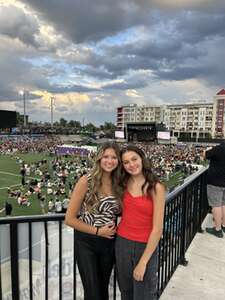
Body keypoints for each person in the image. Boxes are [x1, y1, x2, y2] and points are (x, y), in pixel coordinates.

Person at [65, 142, 122, 300]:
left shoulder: (120, 184)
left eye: (113, 157)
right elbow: (69, 219)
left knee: (103, 290)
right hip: (86, 243)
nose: (109, 161)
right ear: (99, 158)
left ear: (118, 161)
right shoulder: (86, 181)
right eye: (105, 157)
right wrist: (98, 231)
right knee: (93, 293)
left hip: (109, 243)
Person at [115, 145, 166, 300]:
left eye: (134, 159)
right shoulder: (122, 184)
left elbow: (158, 229)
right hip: (122, 243)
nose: (131, 164)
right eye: (126, 162)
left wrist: (143, 262)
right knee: (126, 292)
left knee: (144, 295)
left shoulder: (156, 188)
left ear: (142, 159)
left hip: (145, 246)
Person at [204, 141, 225, 238]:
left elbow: (205, 155)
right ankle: (223, 225)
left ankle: (217, 229)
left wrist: (208, 150)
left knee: (216, 205)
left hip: (216, 182)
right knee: (223, 204)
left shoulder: (219, 148)